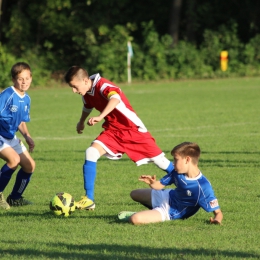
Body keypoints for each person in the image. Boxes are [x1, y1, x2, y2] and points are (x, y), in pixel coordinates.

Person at [64, 66, 174, 210]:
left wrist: (100, 116)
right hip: (113, 130)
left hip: (132, 129)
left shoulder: (103, 85)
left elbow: (115, 99)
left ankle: (190, 184)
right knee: (91, 152)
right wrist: (81, 122)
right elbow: (87, 106)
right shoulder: (86, 92)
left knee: (160, 161)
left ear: (85, 80)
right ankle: (89, 199)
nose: (73, 91)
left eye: (74, 86)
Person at [118, 142, 223, 225]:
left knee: (135, 219)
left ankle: (145, 215)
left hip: (171, 211)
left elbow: (218, 212)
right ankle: (151, 213)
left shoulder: (203, 187)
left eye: (176, 159)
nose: (173, 163)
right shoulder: (177, 172)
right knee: (134, 194)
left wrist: (216, 221)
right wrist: (152, 183)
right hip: (167, 195)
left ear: (187, 160)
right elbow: (158, 186)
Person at [0, 62, 36, 210]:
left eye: (27, 78)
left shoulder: (26, 99)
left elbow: (20, 120)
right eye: (20, 78)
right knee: (13, 160)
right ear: (14, 79)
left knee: (29, 166)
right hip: (0, 135)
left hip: (10, 136)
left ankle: (15, 198)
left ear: (31, 78)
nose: (24, 82)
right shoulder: (7, 95)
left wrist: (27, 135)